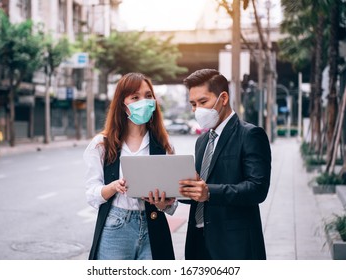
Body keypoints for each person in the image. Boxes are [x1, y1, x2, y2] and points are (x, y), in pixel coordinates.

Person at [179, 69, 271, 260]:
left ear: (223, 98)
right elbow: (201, 190)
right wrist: (174, 195)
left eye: (203, 102)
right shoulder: (202, 140)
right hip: (198, 243)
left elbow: (257, 189)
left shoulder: (250, 135)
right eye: (193, 104)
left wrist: (210, 192)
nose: (197, 110)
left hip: (234, 245)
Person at [83, 72, 176, 260]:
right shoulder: (102, 144)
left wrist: (162, 203)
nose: (144, 101)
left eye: (148, 96)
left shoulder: (164, 145)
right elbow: (91, 194)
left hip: (153, 227)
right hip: (116, 226)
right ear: (122, 104)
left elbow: (172, 206)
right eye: (135, 97)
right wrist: (113, 187)